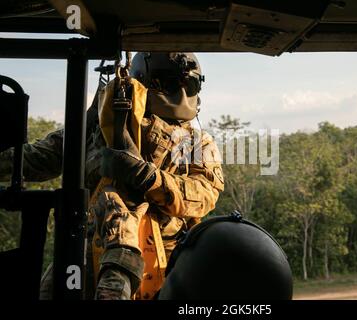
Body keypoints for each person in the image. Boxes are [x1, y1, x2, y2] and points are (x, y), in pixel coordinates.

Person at [0, 52, 224, 299]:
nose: (181, 93)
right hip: (85, 247)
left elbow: (203, 195)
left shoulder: (195, 143)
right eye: (169, 83)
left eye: (189, 84)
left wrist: (146, 176)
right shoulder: (100, 125)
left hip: (162, 263)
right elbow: (43, 157)